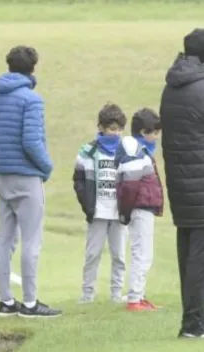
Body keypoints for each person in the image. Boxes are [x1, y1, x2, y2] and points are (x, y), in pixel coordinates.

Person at [0, 45, 62, 318]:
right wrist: (47, 166)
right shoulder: (32, 99)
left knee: (5, 240)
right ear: (32, 67)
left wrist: (6, 158)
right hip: (27, 177)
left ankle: (6, 301)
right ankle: (30, 303)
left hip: (3, 175)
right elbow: (32, 141)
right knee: (31, 241)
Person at [160, 28, 204, 338]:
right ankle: (193, 324)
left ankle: (192, 321)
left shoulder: (172, 86)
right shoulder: (201, 88)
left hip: (180, 182)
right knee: (199, 258)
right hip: (200, 184)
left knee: (187, 252)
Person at [73, 103, 127, 304]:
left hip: (119, 213)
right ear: (102, 127)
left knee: (119, 256)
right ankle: (87, 294)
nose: (117, 133)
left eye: (120, 129)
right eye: (113, 129)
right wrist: (87, 205)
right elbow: (78, 179)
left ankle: (116, 294)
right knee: (92, 254)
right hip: (97, 213)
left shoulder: (125, 150)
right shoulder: (88, 151)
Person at [115, 108, 163, 312]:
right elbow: (131, 185)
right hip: (140, 207)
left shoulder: (138, 150)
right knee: (143, 253)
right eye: (154, 133)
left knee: (141, 252)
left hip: (140, 207)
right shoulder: (135, 151)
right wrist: (126, 210)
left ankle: (139, 295)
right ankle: (134, 299)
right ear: (143, 132)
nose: (156, 137)